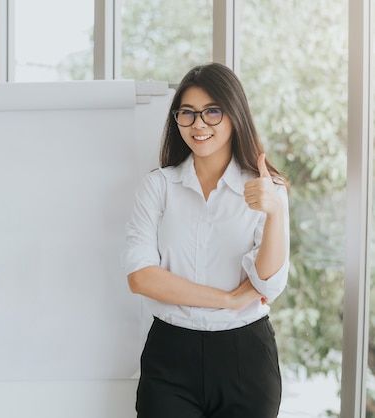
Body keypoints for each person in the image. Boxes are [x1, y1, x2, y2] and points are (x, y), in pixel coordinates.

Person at [122, 62, 290, 418]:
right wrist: (228, 299)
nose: (199, 124)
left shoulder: (267, 191)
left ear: (234, 115)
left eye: (212, 112)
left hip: (245, 356)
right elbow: (141, 277)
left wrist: (275, 213)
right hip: (170, 354)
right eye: (188, 113)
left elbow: (267, 284)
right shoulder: (159, 187)